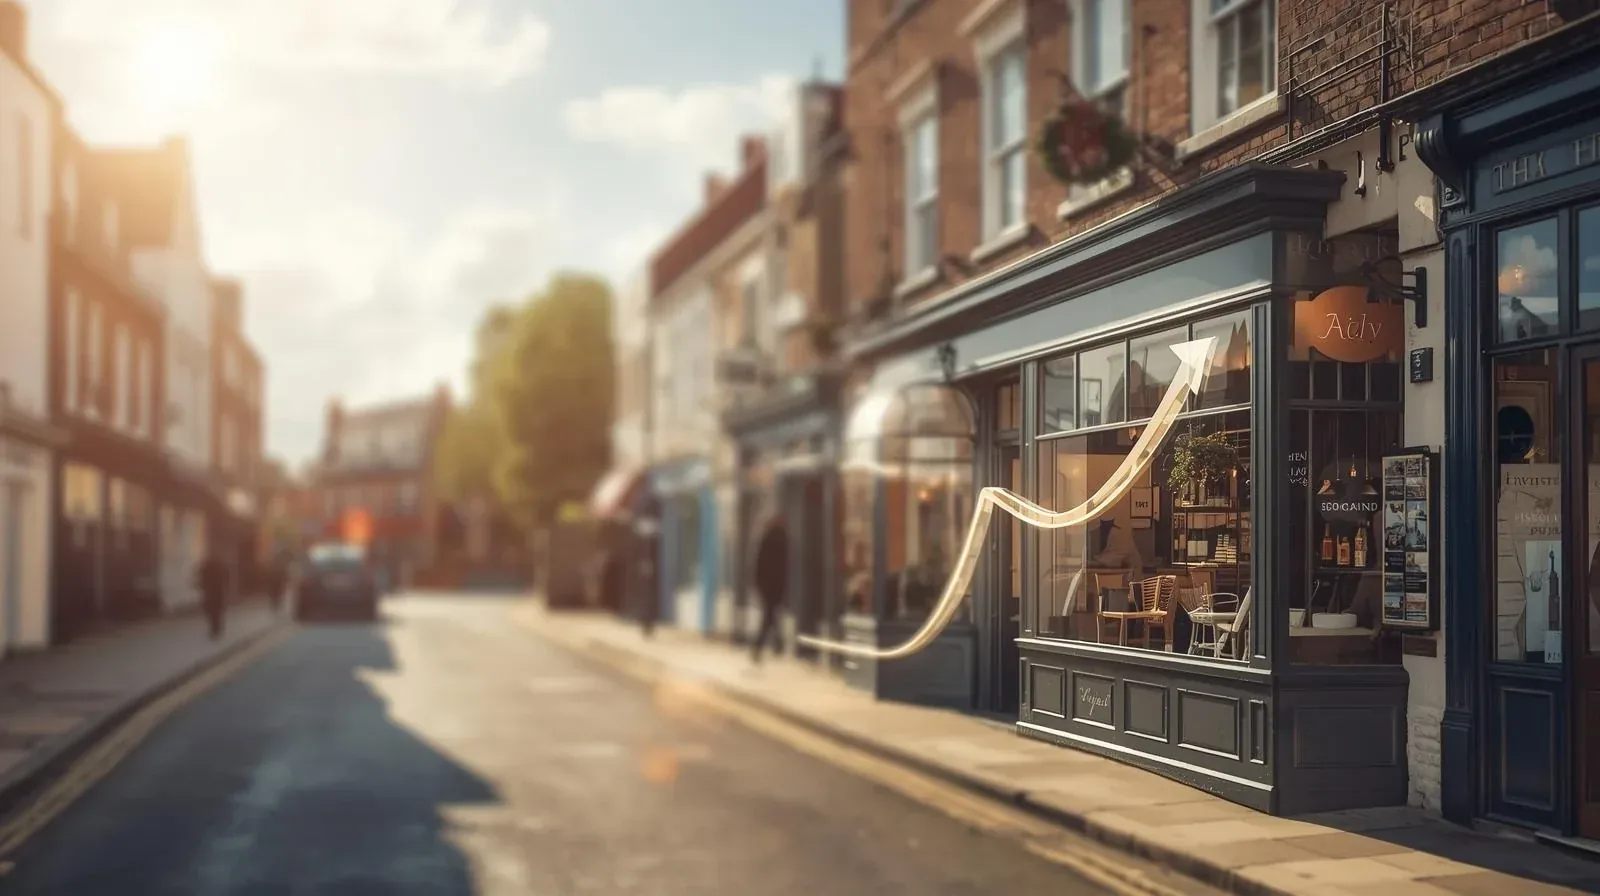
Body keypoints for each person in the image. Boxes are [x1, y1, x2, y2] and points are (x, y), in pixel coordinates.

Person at [749, 515, 790, 664]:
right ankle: (774, 644)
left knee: (770, 615)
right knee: (770, 615)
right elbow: (785, 567)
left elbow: (758, 564)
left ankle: (774, 643)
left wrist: (758, 584)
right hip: (775, 586)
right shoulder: (782, 541)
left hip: (766, 586)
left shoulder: (766, 540)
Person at [196, 547, 232, 640]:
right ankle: (216, 628)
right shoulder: (219, 566)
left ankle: (215, 628)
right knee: (216, 611)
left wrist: (201, 585)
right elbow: (227, 578)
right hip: (216, 592)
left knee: (213, 611)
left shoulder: (208, 566)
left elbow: (201, 576)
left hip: (212, 592)